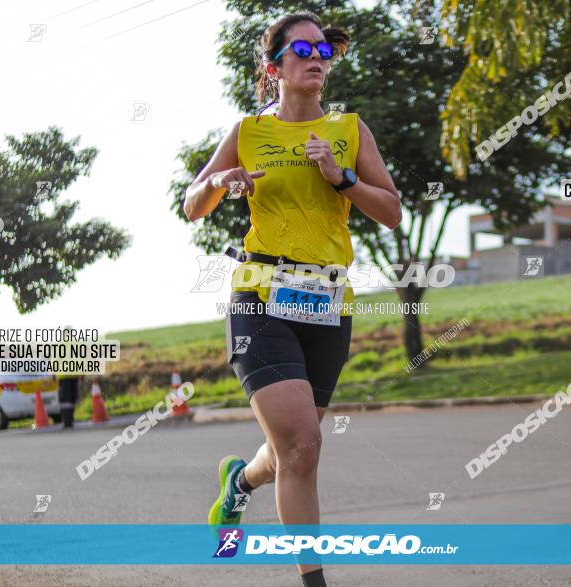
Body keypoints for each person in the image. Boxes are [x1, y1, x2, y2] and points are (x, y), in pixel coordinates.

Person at [183, 11, 401, 586]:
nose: (317, 56)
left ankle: (239, 481)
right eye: (302, 47)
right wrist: (219, 184)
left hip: (327, 304)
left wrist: (342, 178)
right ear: (273, 64)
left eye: (324, 49)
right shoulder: (247, 132)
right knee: (303, 443)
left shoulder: (350, 131)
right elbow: (191, 203)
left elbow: (393, 211)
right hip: (260, 298)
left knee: (292, 450)